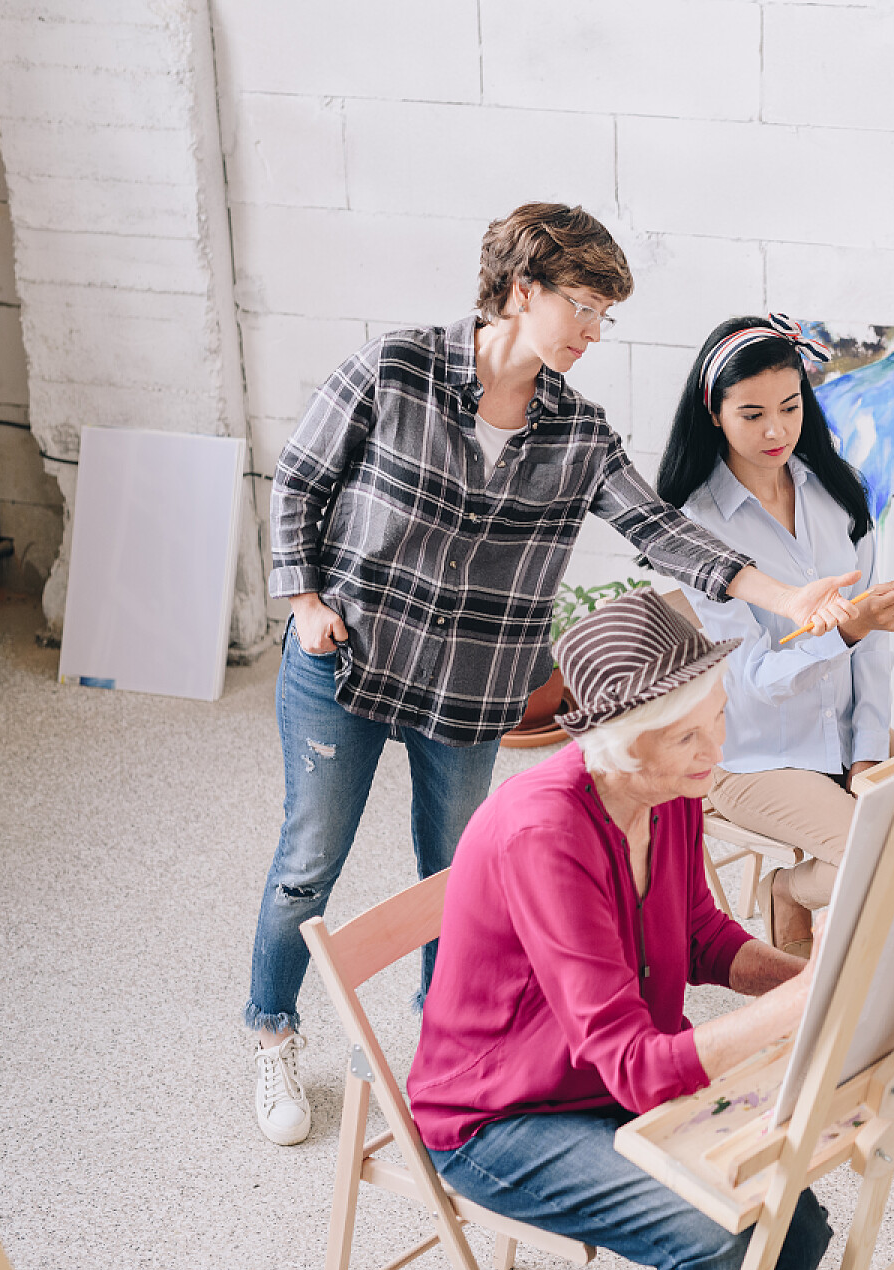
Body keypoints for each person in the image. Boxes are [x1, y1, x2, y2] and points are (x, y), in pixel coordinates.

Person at [246, 206, 858, 1147]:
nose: (592, 331)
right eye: (582, 304)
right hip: (347, 665)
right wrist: (304, 604)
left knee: (457, 879)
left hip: (469, 692)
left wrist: (789, 599)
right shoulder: (393, 369)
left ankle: (432, 1045)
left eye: (604, 314)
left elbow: (661, 532)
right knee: (306, 865)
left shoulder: (577, 433)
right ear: (521, 289)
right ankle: (273, 1031)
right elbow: (298, 482)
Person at [409, 588, 833, 1270]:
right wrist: (790, 1009)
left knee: (793, 1220)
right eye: (688, 736)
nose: (715, 750)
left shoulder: (669, 789)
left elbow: (697, 933)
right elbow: (637, 1068)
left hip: (605, 1083)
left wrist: (817, 980)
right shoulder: (545, 835)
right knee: (723, 1239)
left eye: (718, 720)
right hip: (501, 1116)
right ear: (621, 746)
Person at [656, 315, 894, 958]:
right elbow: (751, 680)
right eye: (752, 414)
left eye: (790, 408)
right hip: (751, 753)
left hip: (844, 731)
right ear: (713, 413)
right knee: (885, 858)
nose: (776, 431)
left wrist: (867, 753)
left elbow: (873, 647)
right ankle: (792, 890)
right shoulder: (697, 528)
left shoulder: (839, 493)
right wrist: (844, 631)